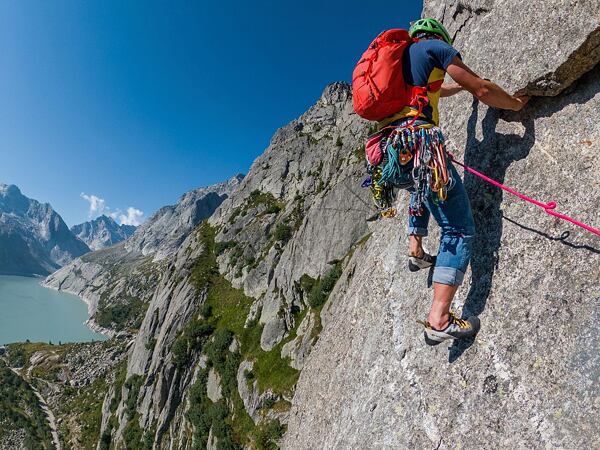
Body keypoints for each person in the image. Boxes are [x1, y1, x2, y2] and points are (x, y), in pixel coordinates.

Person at [383, 18, 529, 345]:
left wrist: (463, 89)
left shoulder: (404, 64)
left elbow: (440, 89)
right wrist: (516, 104)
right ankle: (439, 319)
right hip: (423, 146)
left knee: (421, 184)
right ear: (438, 37)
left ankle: (416, 248)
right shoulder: (436, 48)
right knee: (459, 229)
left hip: (392, 152)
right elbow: (482, 88)